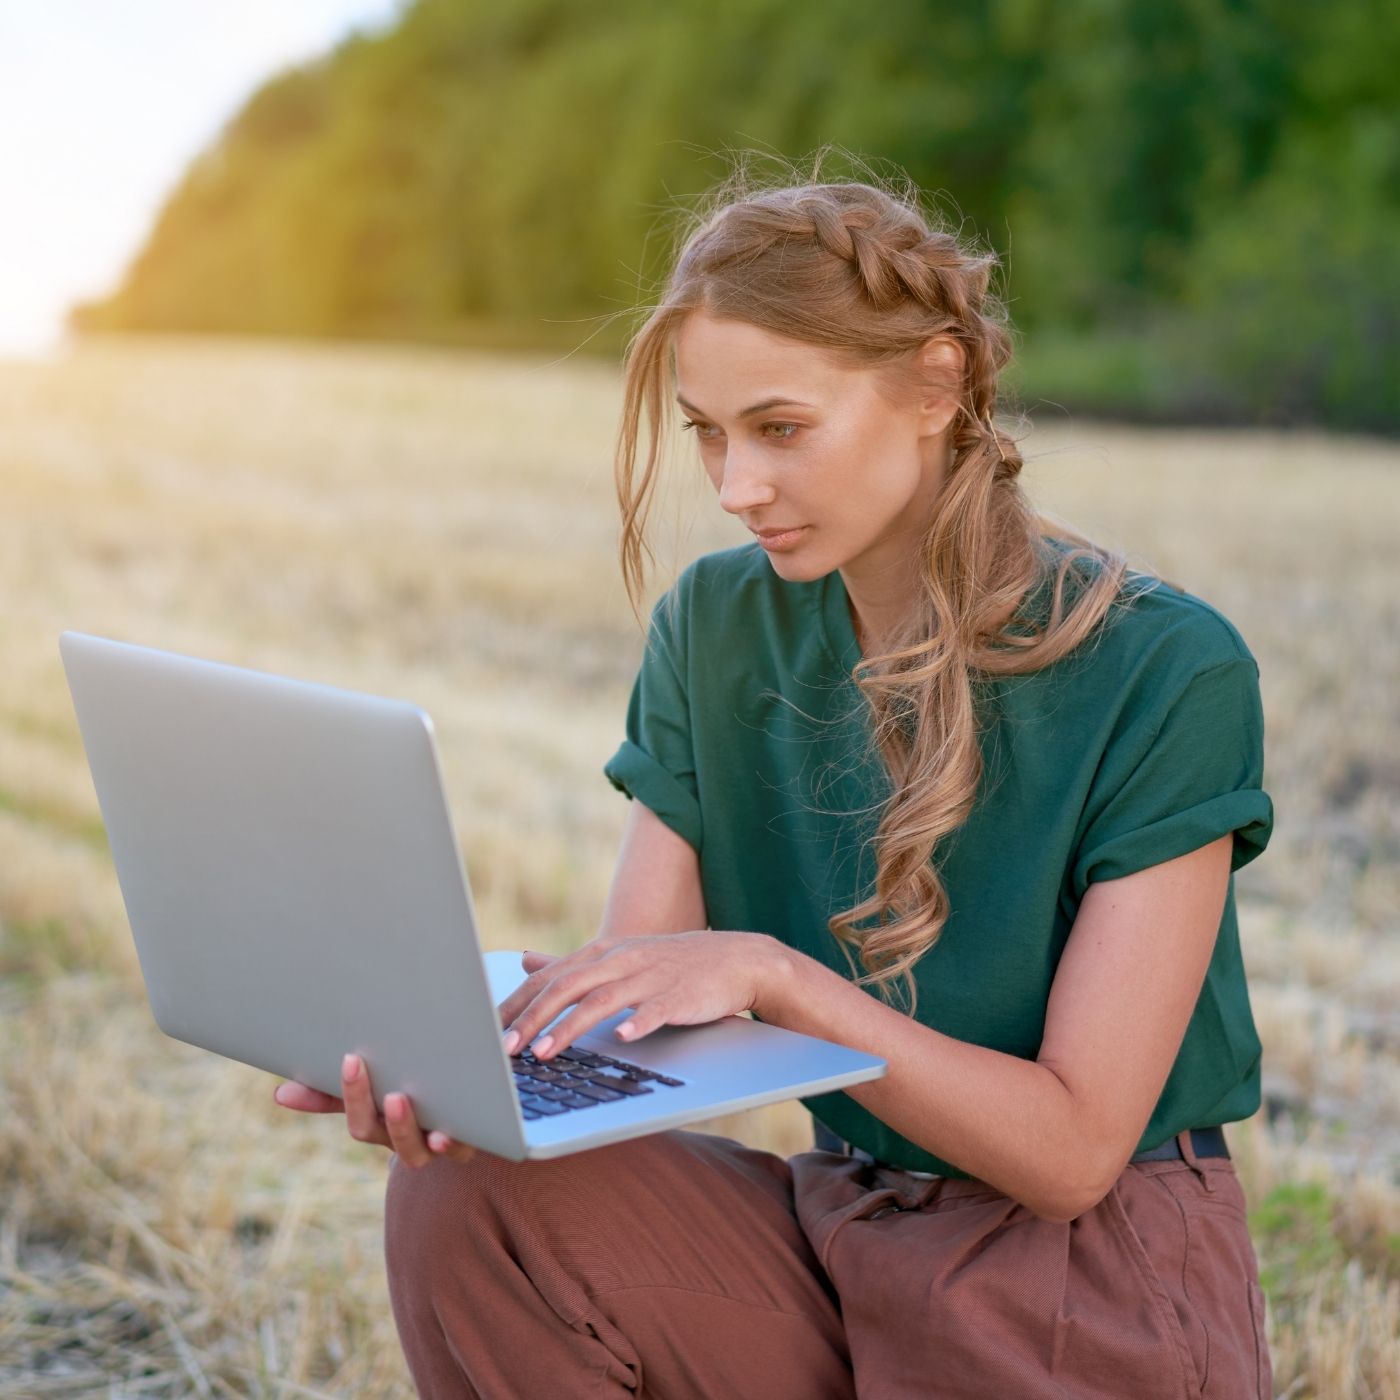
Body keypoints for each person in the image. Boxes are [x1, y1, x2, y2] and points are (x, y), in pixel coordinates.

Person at [274, 157, 1276, 1399]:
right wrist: (462, 1072)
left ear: (935, 383)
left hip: (1093, 1285)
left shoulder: (1163, 666)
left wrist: (776, 975)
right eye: (706, 431)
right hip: (844, 1232)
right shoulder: (714, 626)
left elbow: (1070, 1152)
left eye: (779, 428)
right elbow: (641, 998)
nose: (733, 486)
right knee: (475, 1196)